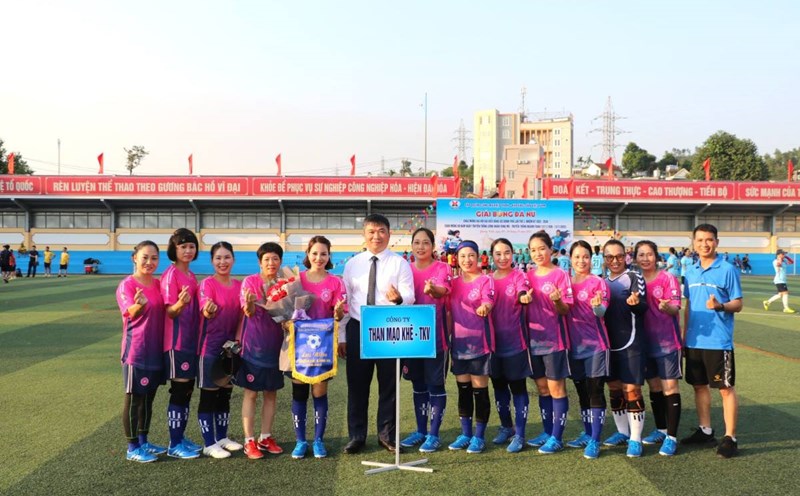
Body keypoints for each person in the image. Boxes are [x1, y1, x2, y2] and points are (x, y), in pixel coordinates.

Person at [340, 214, 415, 454]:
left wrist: (399, 300)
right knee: (357, 386)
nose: (376, 236)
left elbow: (410, 295)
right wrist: (342, 334)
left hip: (388, 329)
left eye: (381, 231)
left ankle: (387, 435)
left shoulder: (400, 263)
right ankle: (357, 436)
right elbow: (345, 301)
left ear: (389, 234)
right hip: (358, 328)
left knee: (389, 386)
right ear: (364, 234)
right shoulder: (353, 264)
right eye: (371, 231)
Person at [681, 224, 743, 458]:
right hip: (695, 341)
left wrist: (720, 306)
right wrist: (686, 336)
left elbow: (738, 303)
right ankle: (705, 431)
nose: (704, 244)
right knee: (699, 386)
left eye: (709, 240)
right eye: (700, 240)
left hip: (719, 342)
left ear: (716, 241)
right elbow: (688, 307)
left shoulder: (727, 269)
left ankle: (730, 437)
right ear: (693, 243)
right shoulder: (691, 271)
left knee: (725, 389)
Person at [290, 236, 346, 459]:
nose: (319, 258)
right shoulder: (296, 280)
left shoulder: (335, 282)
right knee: (299, 393)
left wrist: (339, 312)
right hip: (298, 347)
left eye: (324, 254)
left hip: (322, 347)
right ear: (307, 254)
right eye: (315, 253)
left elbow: (339, 314)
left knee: (319, 392)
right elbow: (286, 309)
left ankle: (319, 440)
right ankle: (300, 441)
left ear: (329, 256)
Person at [399, 228, 451, 453]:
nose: (421, 247)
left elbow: (442, 291)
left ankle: (434, 434)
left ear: (433, 246)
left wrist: (432, 290)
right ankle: (420, 431)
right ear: (411, 246)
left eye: (425, 243)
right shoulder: (406, 270)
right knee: (418, 385)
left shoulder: (442, 268)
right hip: (411, 339)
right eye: (417, 242)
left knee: (435, 385)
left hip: (435, 339)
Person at [116, 240, 166, 463]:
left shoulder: (158, 284)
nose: (149, 262)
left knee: (148, 399)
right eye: (145, 257)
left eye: (154, 258)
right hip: (136, 351)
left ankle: (144, 441)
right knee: (134, 399)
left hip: (156, 350)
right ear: (134, 258)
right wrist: (140, 304)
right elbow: (130, 312)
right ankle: (132, 446)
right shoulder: (127, 285)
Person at [523, 230, 573, 454]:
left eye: (541, 248)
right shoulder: (527, 275)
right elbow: (521, 300)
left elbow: (566, 309)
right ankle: (546, 431)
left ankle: (557, 437)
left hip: (554, 341)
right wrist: (523, 299)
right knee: (542, 388)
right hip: (533, 341)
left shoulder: (560, 275)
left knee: (556, 388)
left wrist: (557, 301)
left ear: (551, 249)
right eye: (533, 250)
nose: (537, 253)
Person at [237, 242, 287, 459]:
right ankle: (249, 441)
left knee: (271, 394)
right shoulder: (250, 282)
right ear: (260, 262)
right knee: (251, 394)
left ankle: (265, 436)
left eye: (275, 258)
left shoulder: (285, 283)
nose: (271, 263)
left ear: (280, 261)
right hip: (253, 348)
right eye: (266, 259)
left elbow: (289, 312)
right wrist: (249, 305)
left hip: (276, 348)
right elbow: (247, 311)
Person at [196, 241, 244, 459]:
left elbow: (244, 315)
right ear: (212, 261)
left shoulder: (239, 286)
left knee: (225, 393)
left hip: (231, 349)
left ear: (233, 260)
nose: (223, 262)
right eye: (218, 258)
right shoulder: (207, 285)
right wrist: (208, 310)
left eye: (226, 257)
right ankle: (209, 442)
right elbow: (205, 307)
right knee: (209, 394)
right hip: (210, 347)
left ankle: (222, 437)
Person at [635, 241, 683, 457]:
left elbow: (675, 308)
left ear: (656, 256)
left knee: (670, 388)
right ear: (635, 258)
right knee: (654, 387)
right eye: (641, 254)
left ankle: (672, 437)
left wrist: (667, 307)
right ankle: (661, 429)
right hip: (644, 344)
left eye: (649, 254)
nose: (645, 258)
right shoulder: (634, 280)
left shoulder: (668, 279)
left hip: (667, 343)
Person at [602, 239, 649, 458]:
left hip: (631, 343)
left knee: (632, 390)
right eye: (609, 257)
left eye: (619, 256)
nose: (615, 261)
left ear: (626, 256)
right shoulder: (601, 282)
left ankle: (635, 438)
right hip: (608, 344)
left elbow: (643, 306)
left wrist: (635, 303)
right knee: (614, 388)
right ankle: (622, 431)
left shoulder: (633, 277)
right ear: (604, 259)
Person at [447, 240, 495, 454]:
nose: (467, 260)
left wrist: (485, 307)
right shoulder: (453, 283)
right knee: (463, 390)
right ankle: (465, 434)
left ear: (478, 257)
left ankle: (479, 436)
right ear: (456, 258)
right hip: (458, 344)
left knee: (479, 390)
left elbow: (488, 301)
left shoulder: (486, 280)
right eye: (463, 256)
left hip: (479, 344)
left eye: (471, 255)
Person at [564, 240, 610, 459]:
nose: (581, 261)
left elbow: (601, 313)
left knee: (595, 391)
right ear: (570, 259)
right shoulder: (566, 283)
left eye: (585, 257)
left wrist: (596, 306)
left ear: (592, 259)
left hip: (595, 346)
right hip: (573, 346)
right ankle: (587, 431)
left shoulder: (598, 282)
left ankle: (595, 440)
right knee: (582, 391)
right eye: (577, 257)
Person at [160, 228, 202, 459]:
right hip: (176, 342)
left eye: (191, 246)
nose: (188, 250)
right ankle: (174, 443)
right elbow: (170, 312)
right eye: (183, 246)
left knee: (186, 390)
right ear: (174, 249)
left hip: (190, 341)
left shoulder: (190, 275)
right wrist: (180, 304)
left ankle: (181, 437)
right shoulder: (171, 275)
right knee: (179, 390)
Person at [487, 238, 531, 453]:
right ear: (491, 256)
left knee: (518, 388)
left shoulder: (519, 276)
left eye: (506, 253)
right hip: (493, 345)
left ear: (513, 254)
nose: (502, 257)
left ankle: (520, 434)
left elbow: (524, 291)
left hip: (515, 343)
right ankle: (506, 427)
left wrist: (524, 297)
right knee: (498, 387)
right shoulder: (487, 280)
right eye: (498, 253)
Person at [763, 249, 795, 313]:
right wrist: (780, 259)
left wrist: (786, 257)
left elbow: (792, 262)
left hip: (783, 280)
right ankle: (786, 308)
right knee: (785, 293)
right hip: (779, 280)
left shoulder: (784, 261)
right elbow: (778, 265)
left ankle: (767, 302)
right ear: (778, 255)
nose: (784, 255)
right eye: (782, 254)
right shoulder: (775, 261)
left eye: (784, 254)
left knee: (780, 294)